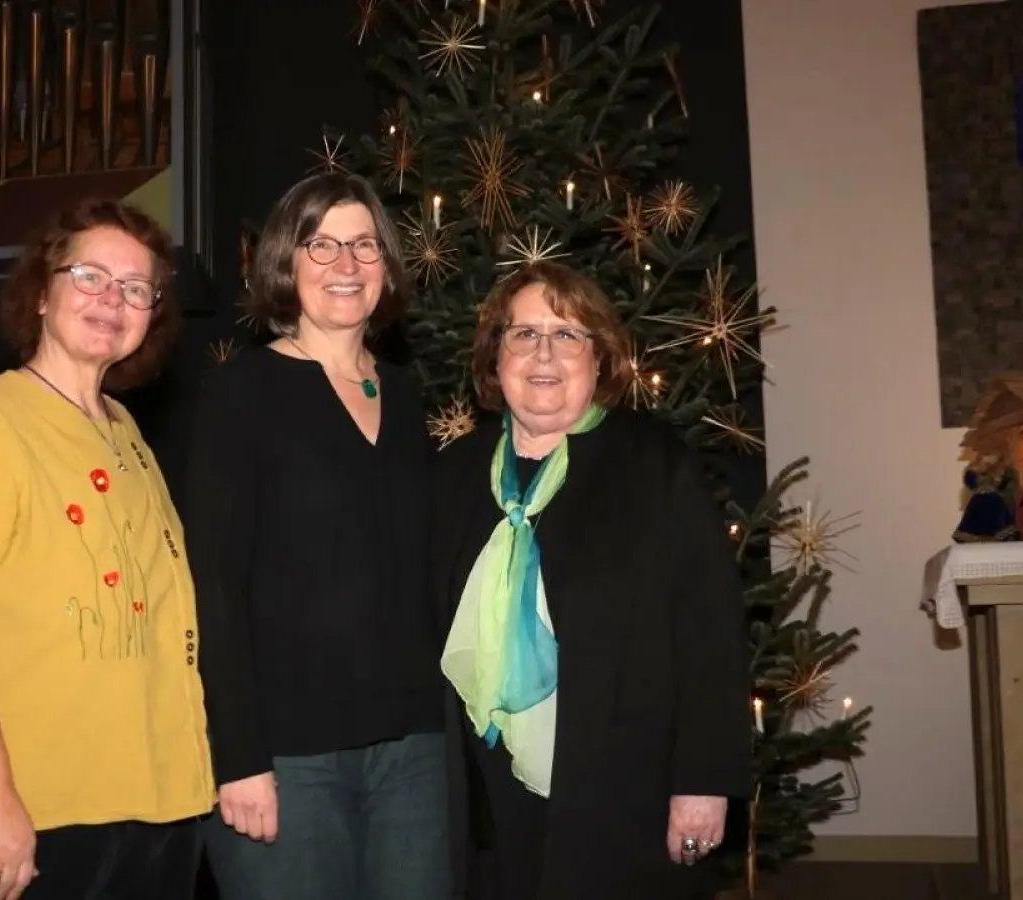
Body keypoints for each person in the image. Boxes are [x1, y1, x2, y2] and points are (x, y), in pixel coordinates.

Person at [0, 198, 214, 900]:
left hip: (152, 804)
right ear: (42, 293)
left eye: (136, 288)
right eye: (90, 275)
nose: (114, 299)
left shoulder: (128, 432)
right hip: (35, 812)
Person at [431, 262, 752, 899]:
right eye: (522, 335)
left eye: (568, 335)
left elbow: (709, 633)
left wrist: (703, 782)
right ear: (495, 358)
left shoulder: (656, 465)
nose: (543, 353)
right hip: (485, 798)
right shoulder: (456, 475)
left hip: (624, 794)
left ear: (600, 360)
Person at [183, 171, 451, 900]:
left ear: (388, 267)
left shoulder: (404, 392)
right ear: (284, 263)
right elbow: (214, 586)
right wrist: (236, 757)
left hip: (414, 750)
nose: (345, 265)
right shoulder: (239, 393)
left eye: (365, 245)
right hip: (286, 755)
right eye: (321, 244)